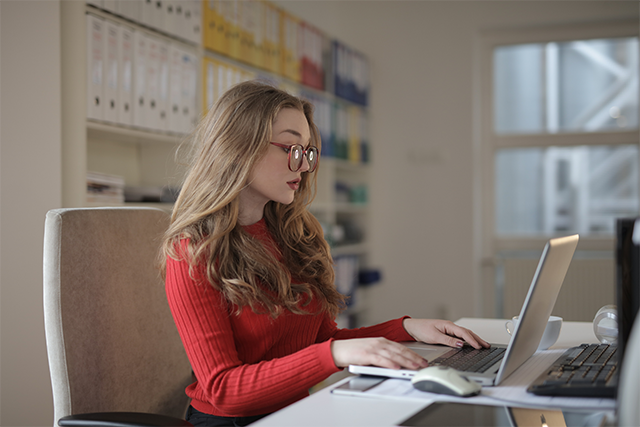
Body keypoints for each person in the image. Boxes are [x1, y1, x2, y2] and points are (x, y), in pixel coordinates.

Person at [162, 80, 489, 427]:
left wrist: (406, 328)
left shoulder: (293, 235)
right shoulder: (193, 251)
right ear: (239, 147)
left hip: (296, 413)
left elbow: (320, 342)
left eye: (307, 152)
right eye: (291, 148)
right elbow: (223, 388)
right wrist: (333, 354)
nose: (303, 166)